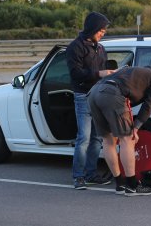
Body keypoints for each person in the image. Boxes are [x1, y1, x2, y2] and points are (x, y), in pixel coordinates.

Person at [88, 66, 151, 196]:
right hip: (111, 93)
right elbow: (149, 105)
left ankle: (120, 184)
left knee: (108, 140)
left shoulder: (138, 72)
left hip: (94, 92)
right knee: (127, 139)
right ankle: (132, 186)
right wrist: (136, 128)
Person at [66, 11, 114, 190]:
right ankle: (78, 176)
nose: (103, 33)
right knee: (84, 138)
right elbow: (75, 74)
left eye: (104, 30)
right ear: (92, 28)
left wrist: (110, 75)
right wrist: (98, 74)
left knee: (96, 138)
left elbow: (103, 70)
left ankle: (91, 174)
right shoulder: (75, 47)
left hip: (99, 95)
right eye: (101, 30)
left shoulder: (100, 48)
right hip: (83, 96)